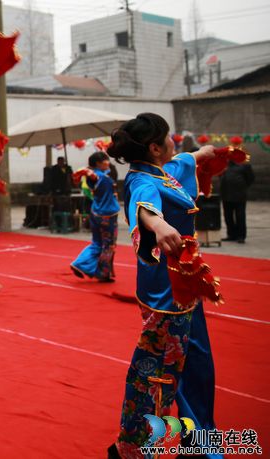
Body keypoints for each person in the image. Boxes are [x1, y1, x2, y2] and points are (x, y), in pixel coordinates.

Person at [105, 113, 219, 459]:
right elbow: (144, 203)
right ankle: (133, 446)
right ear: (155, 147)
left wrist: (205, 154)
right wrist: (157, 224)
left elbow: (184, 161)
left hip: (186, 283)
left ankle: (200, 439)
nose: (175, 143)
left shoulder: (162, 170)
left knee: (197, 363)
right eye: (168, 138)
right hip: (164, 292)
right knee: (161, 371)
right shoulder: (142, 180)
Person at [70, 151, 120, 282]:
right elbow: (96, 176)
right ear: (98, 163)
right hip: (108, 214)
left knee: (97, 243)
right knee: (109, 245)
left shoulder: (96, 176)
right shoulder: (99, 177)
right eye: (106, 160)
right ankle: (103, 273)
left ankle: (79, 263)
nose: (108, 162)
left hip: (96, 212)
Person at [220, 159, 254, 243]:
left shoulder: (244, 165)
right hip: (226, 194)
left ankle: (241, 236)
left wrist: (243, 187)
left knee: (240, 216)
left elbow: (250, 178)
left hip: (239, 195)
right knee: (228, 216)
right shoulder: (224, 165)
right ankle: (231, 234)